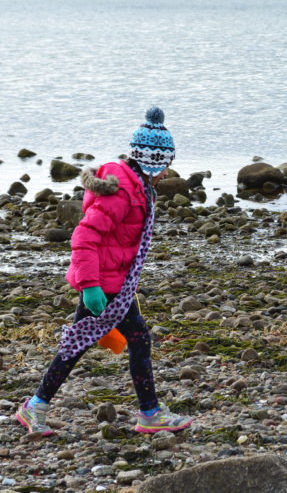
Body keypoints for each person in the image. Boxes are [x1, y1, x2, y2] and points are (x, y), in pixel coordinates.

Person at [17, 106, 193, 436]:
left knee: (86, 342)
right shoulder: (124, 191)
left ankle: (37, 406)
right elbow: (84, 236)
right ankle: (149, 413)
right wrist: (90, 285)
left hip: (117, 283)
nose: (168, 172)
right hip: (103, 285)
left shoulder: (138, 185)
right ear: (153, 161)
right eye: (166, 165)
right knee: (113, 339)